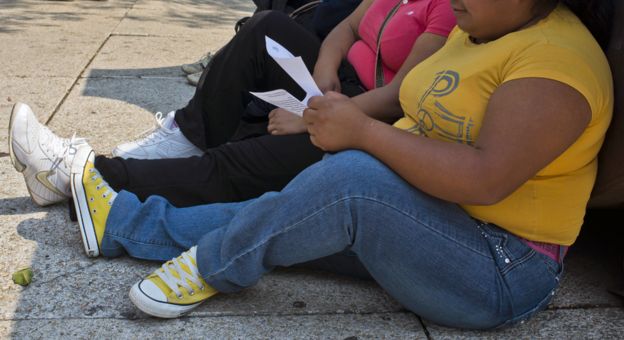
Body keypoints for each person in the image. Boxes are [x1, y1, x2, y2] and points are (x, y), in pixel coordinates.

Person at [61, 0, 615, 329]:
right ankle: (122, 222)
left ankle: (211, 266)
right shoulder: (481, 27)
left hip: (501, 266)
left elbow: (485, 178)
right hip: (437, 219)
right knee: (292, 209)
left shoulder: (554, 64)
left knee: (352, 178)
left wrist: (364, 133)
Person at [9, 0, 455, 210]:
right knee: (267, 27)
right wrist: (323, 76)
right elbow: (345, 30)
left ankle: (80, 176)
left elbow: (404, 95)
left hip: (379, 119)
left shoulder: (454, 8)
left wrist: (313, 115)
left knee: (240, 160)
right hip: (343, 89)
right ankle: (186, 137)